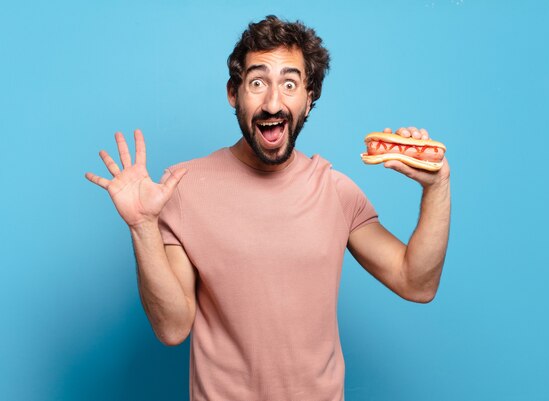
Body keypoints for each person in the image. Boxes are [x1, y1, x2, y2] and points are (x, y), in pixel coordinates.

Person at [85, 15, 450, 401]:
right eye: (257, 83)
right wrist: (143, 225)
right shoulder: (183, 187)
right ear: (234, 93)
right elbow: (172, 328)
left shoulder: (336, 191)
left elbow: (416, 283)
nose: (273, 102)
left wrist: (437, 186)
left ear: (309, 98)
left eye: (290, 84)